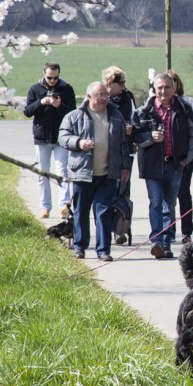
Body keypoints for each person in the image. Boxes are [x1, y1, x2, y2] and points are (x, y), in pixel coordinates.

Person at [58, 82, 132, 261]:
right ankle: (80, 247)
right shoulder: (75, 116)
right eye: (100, 95)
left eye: (106, 95)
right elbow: (63, 137)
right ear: (89, 96)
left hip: (108, 174)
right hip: (82, 173)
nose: (105, 98)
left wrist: (125, 166)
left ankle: (103, 250)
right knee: (81, 211)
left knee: (103, 212)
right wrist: (79, 142)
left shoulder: (115, 115)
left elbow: (124, 143)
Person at [131, 72, 193, 260]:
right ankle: (157, 241)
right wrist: (149, 138)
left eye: (167, 87)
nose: (163, 91)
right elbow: (135, 136)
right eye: (160, 87)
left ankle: (166, 244)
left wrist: (188, 158)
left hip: (175, 164)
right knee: (156, 202)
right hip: (152, 165)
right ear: (154, 88)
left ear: (174, 88)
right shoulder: (144, 111)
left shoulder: (184, 109)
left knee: (169, 204)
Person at [24, 62, 76, 218]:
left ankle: (64, 206)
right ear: (43, 74)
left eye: (55, 78)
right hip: (42, 137)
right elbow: (27, 111)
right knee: (43, 173)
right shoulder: (35, 89)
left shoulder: (66, 89)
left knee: (62, 172)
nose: (52, 81)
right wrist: (41, 102)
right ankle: (45, 207)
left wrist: (59, 105)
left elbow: (73, 113)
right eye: (49, 78)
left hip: (61, 137)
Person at [103, 66, 137, 244]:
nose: (124, 86)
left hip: (126, 151)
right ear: (110, 83)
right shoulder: (101, 97)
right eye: (120, 82)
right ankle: (105, 230)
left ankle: (120, 229)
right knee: (107, 191)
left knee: (123, 191)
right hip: (105, 151)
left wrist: (132, 128)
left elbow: (135, 118)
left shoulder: (127, 97)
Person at [168, 69, 193, 246]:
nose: (170, 84)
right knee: (168, 196)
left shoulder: (187, 102)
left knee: (183, 193)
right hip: (166, 158)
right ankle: (169, 230)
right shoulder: (156, 104)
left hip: (184, 158)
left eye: (173, 80)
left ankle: (186, 231)